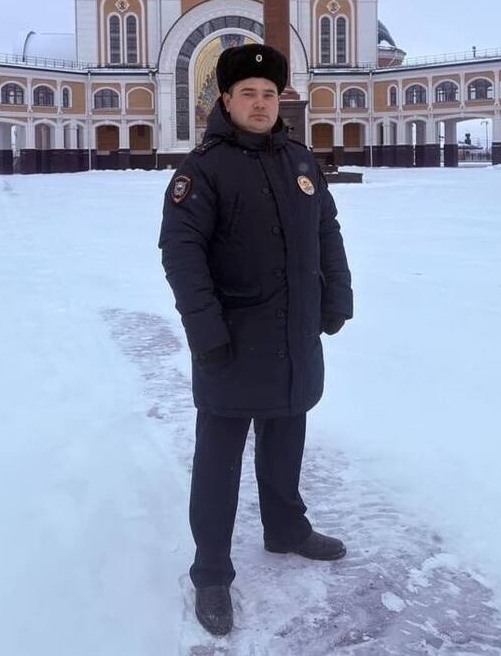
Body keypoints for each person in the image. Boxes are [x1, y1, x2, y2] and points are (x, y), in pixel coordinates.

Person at [158, 43, 353, 637]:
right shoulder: (201, 170)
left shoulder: (300, 160)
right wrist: (205, 331)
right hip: (232, 340)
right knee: (219, 460)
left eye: (269, 94)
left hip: (294, 333)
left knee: (287, 434)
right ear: (225, 99)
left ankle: (286, 528)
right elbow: (182, 255)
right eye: (248, 93)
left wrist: (338, 296)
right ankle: (211, 571)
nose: (261, 103)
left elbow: (327, 230)